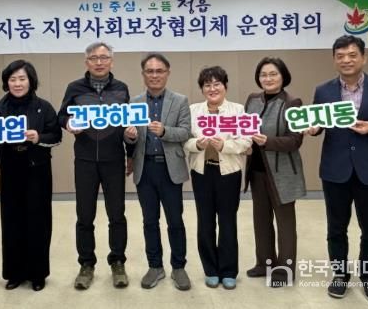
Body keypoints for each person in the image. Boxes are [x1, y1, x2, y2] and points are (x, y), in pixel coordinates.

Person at [306, 35, 368, 305]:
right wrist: (314, 129)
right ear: (334, 59)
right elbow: (318, 123)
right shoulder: (323, 91)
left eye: (352, 55)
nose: (346, 60)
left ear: (364, 58)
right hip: (335, 170)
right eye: (340, 56)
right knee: (336, 228)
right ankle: (340, 276)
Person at [58, 42, 133, 290]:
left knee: (117, 214)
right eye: (93, 58)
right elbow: (61, 115)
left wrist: (131, 151)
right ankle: (86, 264)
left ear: (111, 61)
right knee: (84, 215)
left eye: (104, 57)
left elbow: (128, 122)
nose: (99, 62)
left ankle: (118, 262)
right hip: (85, 160)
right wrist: (68, 123)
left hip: (113, 159)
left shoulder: (121, 88)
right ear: (86, 62)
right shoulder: (75, 88)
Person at [0, 60, 62, 291]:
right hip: (10, 168)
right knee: (12, 220)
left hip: (37, 169)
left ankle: (37, 274)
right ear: (6, 83)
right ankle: (15, 273)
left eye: (22, 79)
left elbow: (56, 135)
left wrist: (38, 137)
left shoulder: (43, 107)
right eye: (12, 79)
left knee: (38, 221)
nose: (17, 83)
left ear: (31, 81)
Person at [124, 53, 191, 290]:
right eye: (150, 71)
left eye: (159, 71)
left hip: (170, 168)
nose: (154, 75)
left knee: (175, 220)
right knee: (149, 221)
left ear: (167, 73)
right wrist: (129, 136)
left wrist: (164, 132)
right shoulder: (134, 102)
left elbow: (185, 132)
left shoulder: (180, 100)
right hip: (145, 168)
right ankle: (155, 266)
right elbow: (129, 139)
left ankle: (179, 267)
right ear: (143, 74)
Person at [184, 66, 251, 290]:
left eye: (217, 84)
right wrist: (197, 144)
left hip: (229, 173)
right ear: (202, 89)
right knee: (205, 222)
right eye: (207, 85)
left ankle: (229, 270)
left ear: (225, 86)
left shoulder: (238, 110)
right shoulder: (193, 110)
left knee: (227, 221)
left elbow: (246, 141)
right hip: (202, 172)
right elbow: (184, 140)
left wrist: (225, 145)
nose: (212, 89)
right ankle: (211, 269)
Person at [244, 57, 306, 287]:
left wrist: (267, 141)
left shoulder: (292, 102)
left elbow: (295, 140)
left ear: (283, 76)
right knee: (261, 220)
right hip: (257, 170)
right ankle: (264, 263)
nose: (268, 78)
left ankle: (284, 271)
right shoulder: (252, 99)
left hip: (283, 173)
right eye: (263, 74)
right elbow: (243, 128)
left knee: (285, 223)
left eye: (273, 74)